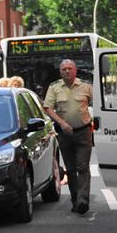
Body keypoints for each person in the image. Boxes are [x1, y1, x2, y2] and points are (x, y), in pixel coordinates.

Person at [43, 59, 93, 214]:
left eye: (70, 68)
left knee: (83, 167)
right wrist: (62, 123)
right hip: (65, 134)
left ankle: (83, 200)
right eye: (63, 69)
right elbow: (48, 108)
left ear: (75, 70)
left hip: (84, 131)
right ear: (60, 72)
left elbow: (96, 104)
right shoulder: (54, 87)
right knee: (71, 169)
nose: (67, 71)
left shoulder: (86, 86)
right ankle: (75, 199)